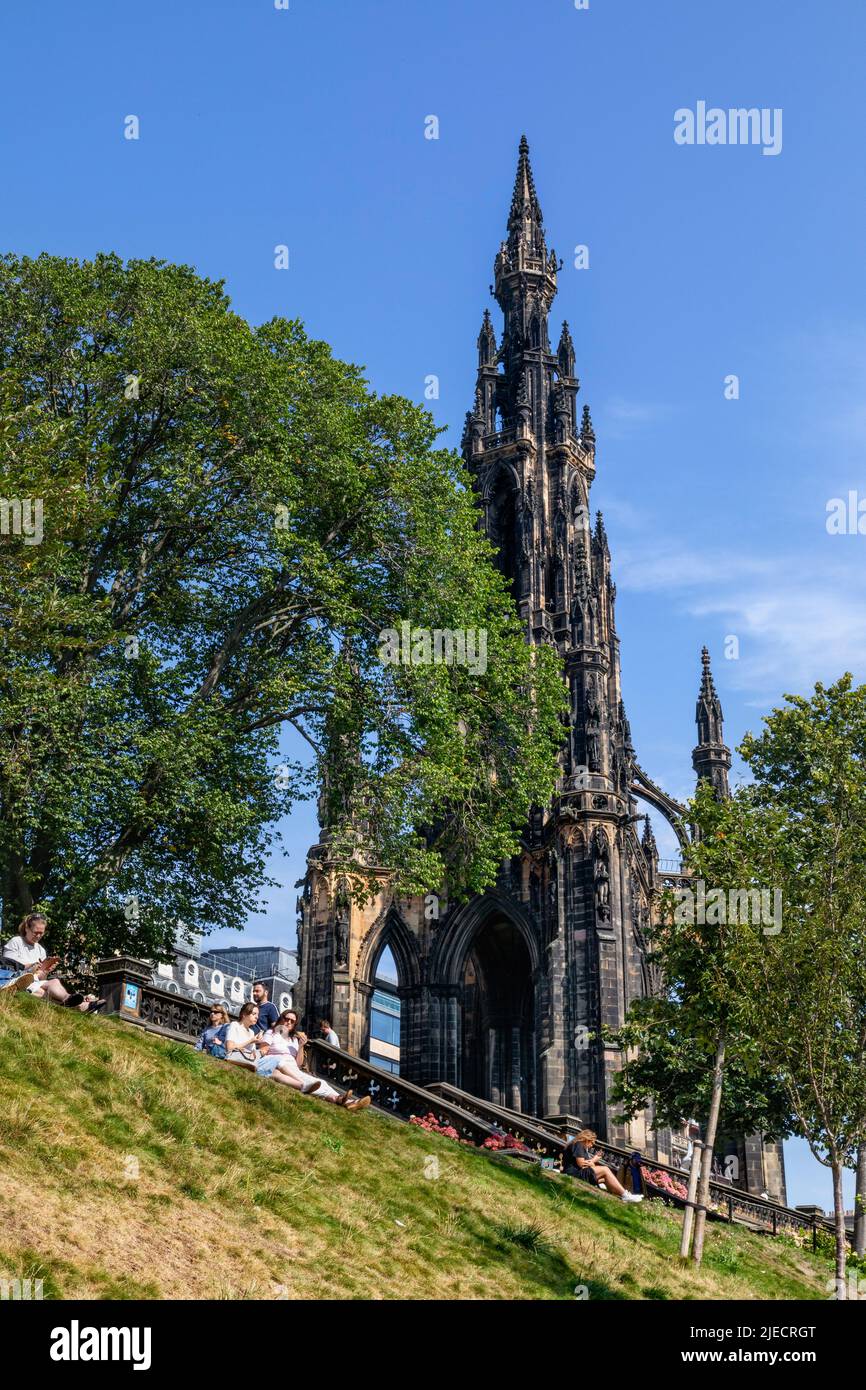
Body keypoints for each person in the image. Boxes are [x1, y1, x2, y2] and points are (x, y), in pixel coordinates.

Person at [263, 1010, 369, 1110]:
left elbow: (298, 1064)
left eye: (292, 1021)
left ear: (295, 1024)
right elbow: (264, 1051)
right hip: (279, 1065)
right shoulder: (271, 1033)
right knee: (313, 1082)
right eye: (287, 1019)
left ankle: (345, 1101)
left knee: (321, 1082)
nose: (289, 1022)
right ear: (281, 1018)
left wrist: (301, 1046)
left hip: (293, 1068)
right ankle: (345, 1100)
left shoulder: (294, 1039)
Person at [1, 912, 105, 1013]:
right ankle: (81, 1005)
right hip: (17, 979)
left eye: (41, 933)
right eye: (35, 932)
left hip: (35, 980)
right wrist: (32, 965)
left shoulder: (41, 950)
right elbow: (8, 963)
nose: (38, 936)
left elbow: (41, 978)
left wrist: (46, 970)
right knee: (43, 993)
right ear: (27, 928)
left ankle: (69, 999)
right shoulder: (16, 941)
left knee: (54, 981)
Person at [562, 1129, 643, 1204]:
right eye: (592, 1143)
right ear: (587, 1139)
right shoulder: (579, 1144)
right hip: (574, 1174)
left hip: (579, 1173)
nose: (592, 1146)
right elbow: (581, 1164)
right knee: (605, 1169)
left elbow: (590, 1167)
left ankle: (619, 1196)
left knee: (605, 1178)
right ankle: (626, 1195)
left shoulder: (580, 1146)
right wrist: (594, 1159)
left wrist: (593, 1162)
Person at [222, 1002, 264, 1069]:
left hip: (247, 1062)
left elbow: (252, 1053)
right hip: (234, 1059)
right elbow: (229, 1048)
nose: (257, 1017)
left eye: (257, 1014)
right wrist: (250, 1041)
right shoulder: (234, 1025)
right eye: (254, 1014)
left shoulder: (251, 1032)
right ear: (244, 1014)